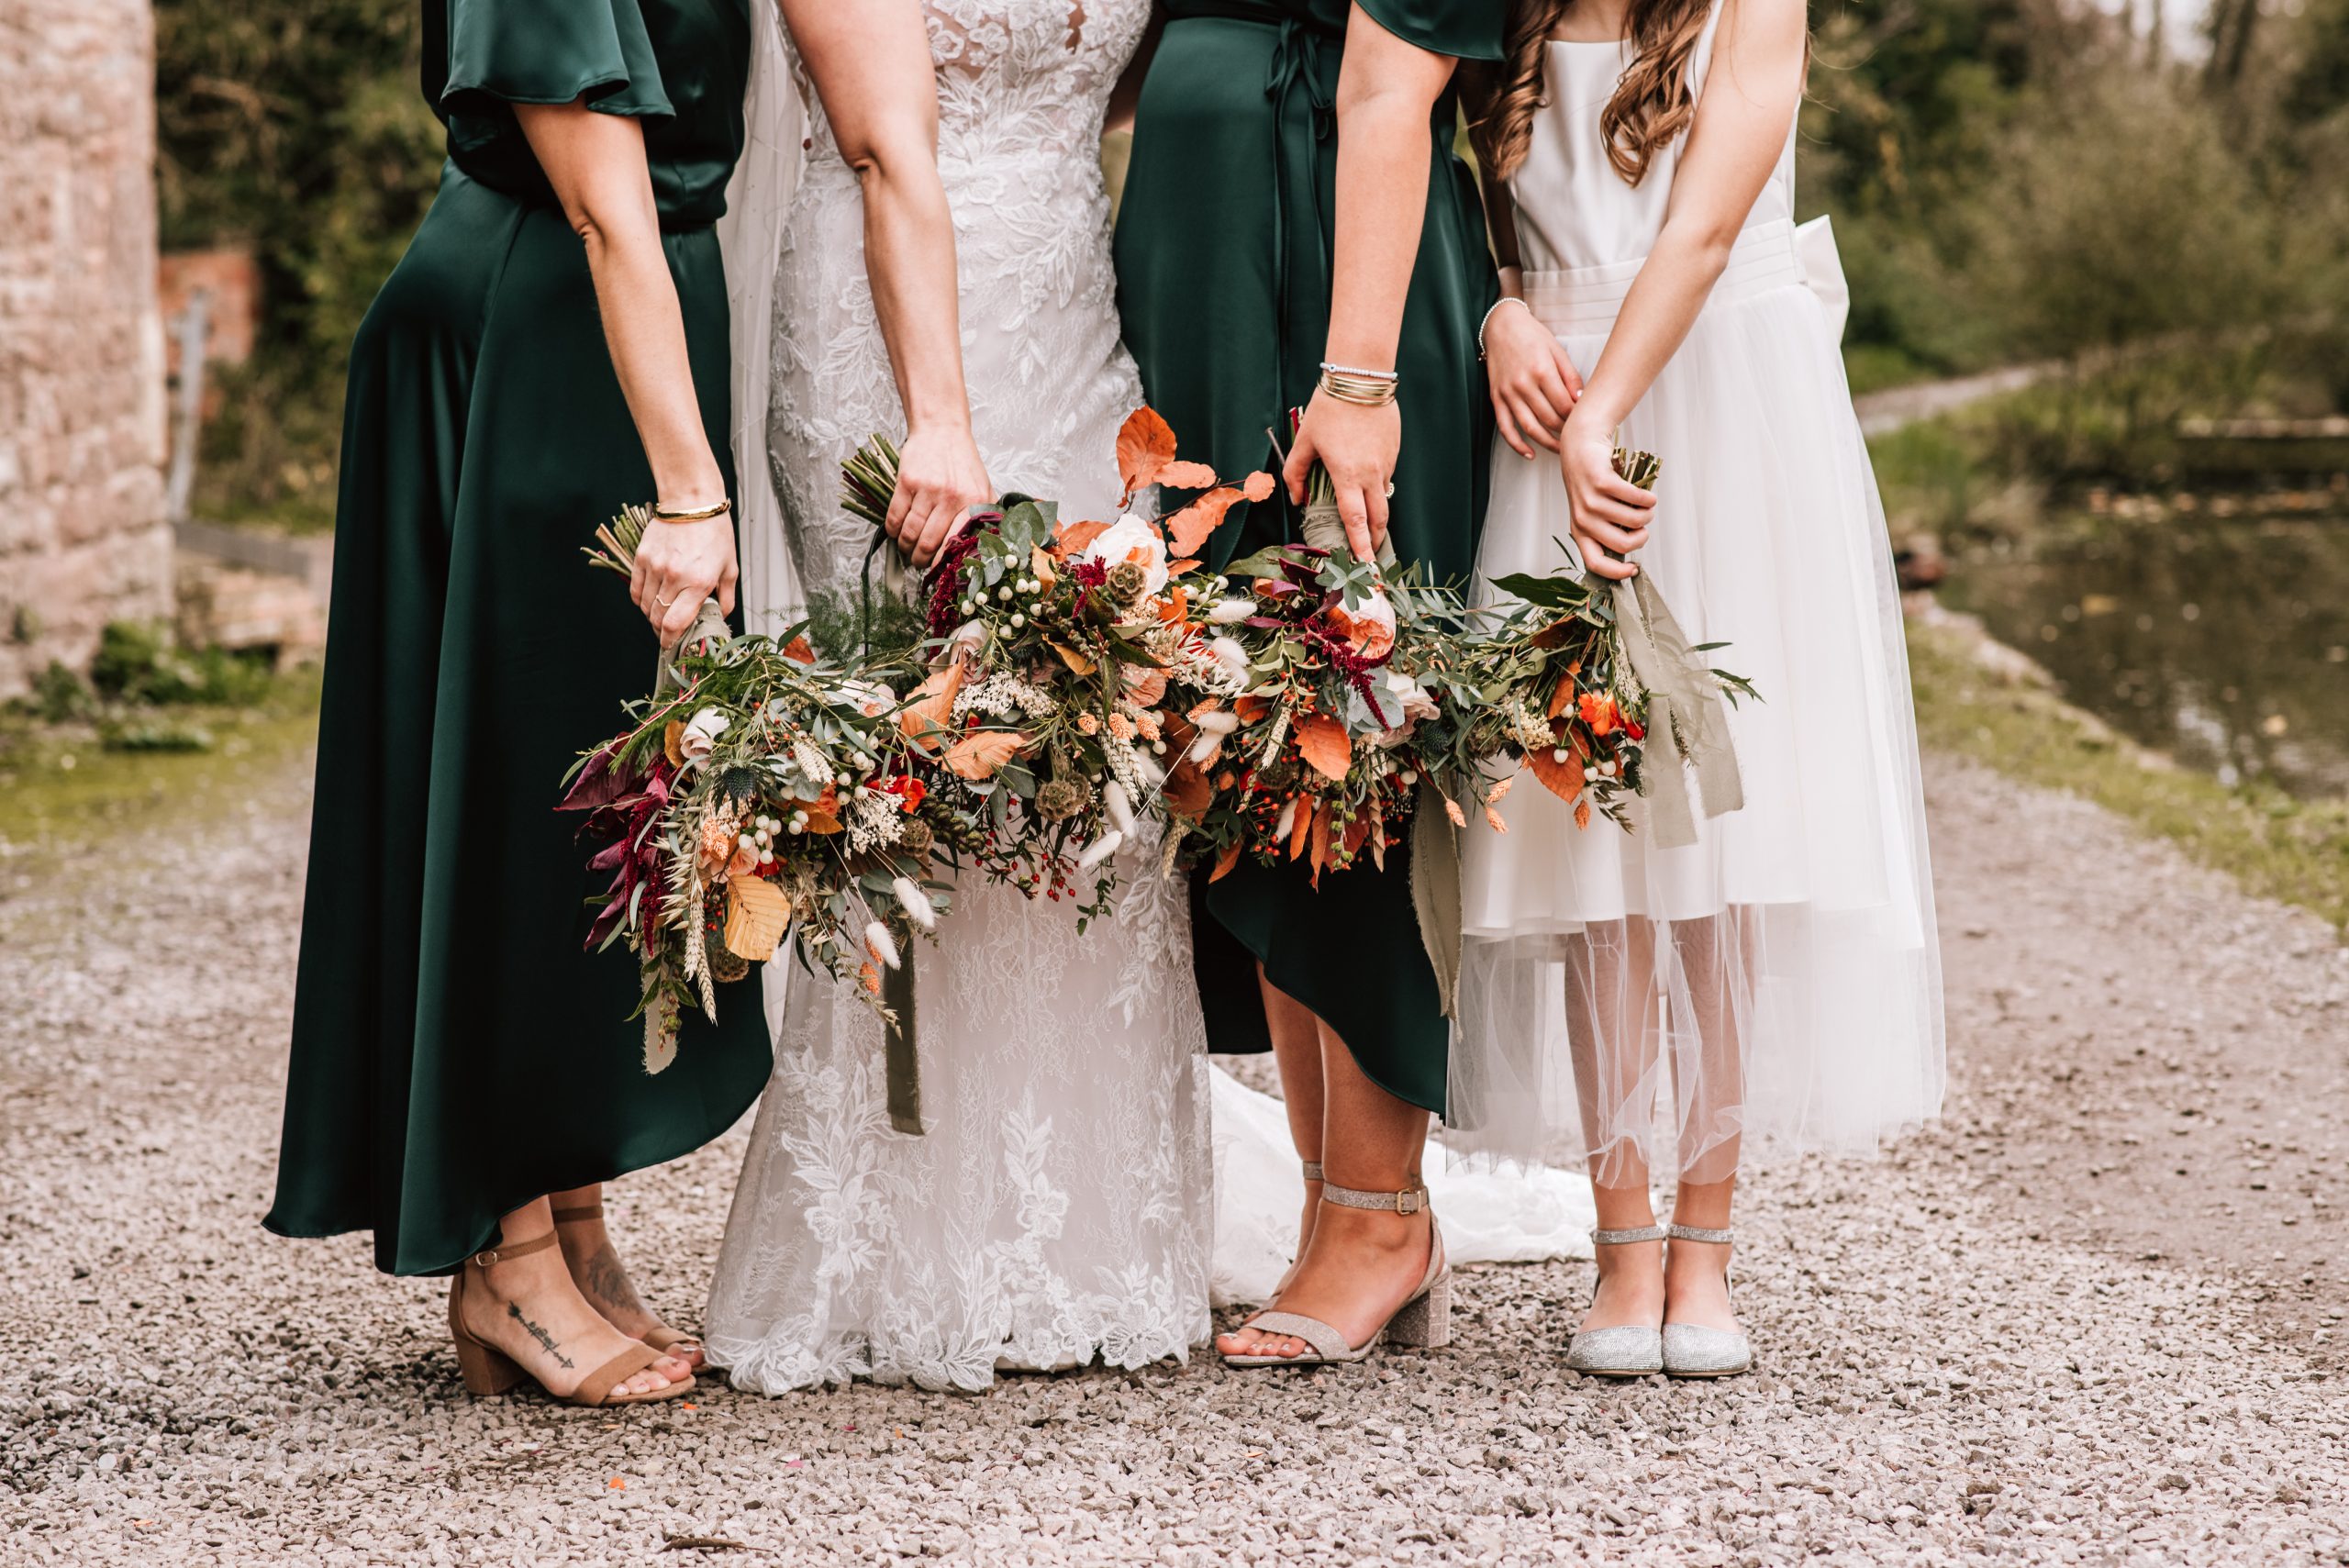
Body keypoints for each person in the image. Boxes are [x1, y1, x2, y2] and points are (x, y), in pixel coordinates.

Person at [701, 0, 1216, 1395]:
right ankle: (894, 1251)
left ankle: (1096, 1236)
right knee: (916, 757)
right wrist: (940, 414)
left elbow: (1103, 87)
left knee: (1086, 740)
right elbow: (885, 148)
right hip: (893, 337)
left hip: (1065, 319)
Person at [264, 0, 774, 1406]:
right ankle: (505, 1254)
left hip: (612, 321)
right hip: (535, 326)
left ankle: (571, 1210)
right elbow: (603, 204)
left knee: (586, 786)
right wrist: (690, 484)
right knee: (512, 786)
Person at [1453, 0, 1945, 1379]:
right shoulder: (1513, 16)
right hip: (1554, 409)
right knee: (1590, 836)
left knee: (1718, 847)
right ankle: (1621, 1241)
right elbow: (1454, 204)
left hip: (1715, 404)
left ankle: (1706, 1243)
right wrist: (1497, 310)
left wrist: (1607, 408)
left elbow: (1706, 227)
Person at [1116, 0, 1505, 1366]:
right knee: (1241, 729)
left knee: (1349, 705)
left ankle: (1382, 1215)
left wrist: (1355, 374)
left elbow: (1391, 83)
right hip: (1209, 247)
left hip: (1332, 260)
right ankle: (1334, 1203)